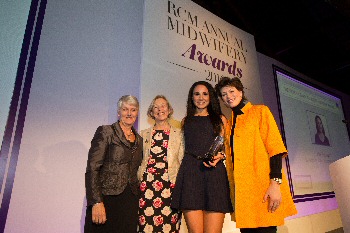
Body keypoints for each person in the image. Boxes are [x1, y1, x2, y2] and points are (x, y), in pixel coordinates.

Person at [215, 77, 297, 233]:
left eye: (232, 91)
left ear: (241, 91)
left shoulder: (260, 111)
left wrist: (275, 184)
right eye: (224, 94)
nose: (228, 96)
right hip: (243, 196)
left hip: (262, 191)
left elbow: (276, 150)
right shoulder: (231, 124)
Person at [171, 81, 233, 233]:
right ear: (191, 97)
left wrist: (221, 156)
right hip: (191, 175)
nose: (201, 97)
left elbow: (228, 148)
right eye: (196, 94)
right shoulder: (186, 121)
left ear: (210, 97)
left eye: (205, 94)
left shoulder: (221, 119)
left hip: (215, 176)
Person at [84, 95, 143, 233]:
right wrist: (96, 201)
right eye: (125, 109)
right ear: (118, 112)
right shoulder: (106, 132)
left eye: (133, 110)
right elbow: (93, 168)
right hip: (106, 198)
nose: (129, 113)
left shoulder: (140, 140)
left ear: (137, 113)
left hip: (130, 200)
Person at [137, 95, 185, 233]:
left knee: (169, 226)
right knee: (146, 226)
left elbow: (182, 161)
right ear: (151, 112)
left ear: (169, 110)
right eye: (155, 107)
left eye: (163, 106)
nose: (160, 109)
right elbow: (139, 160)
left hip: (170, 186)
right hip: (147, 187)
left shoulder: (179, 134)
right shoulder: (143, 134)